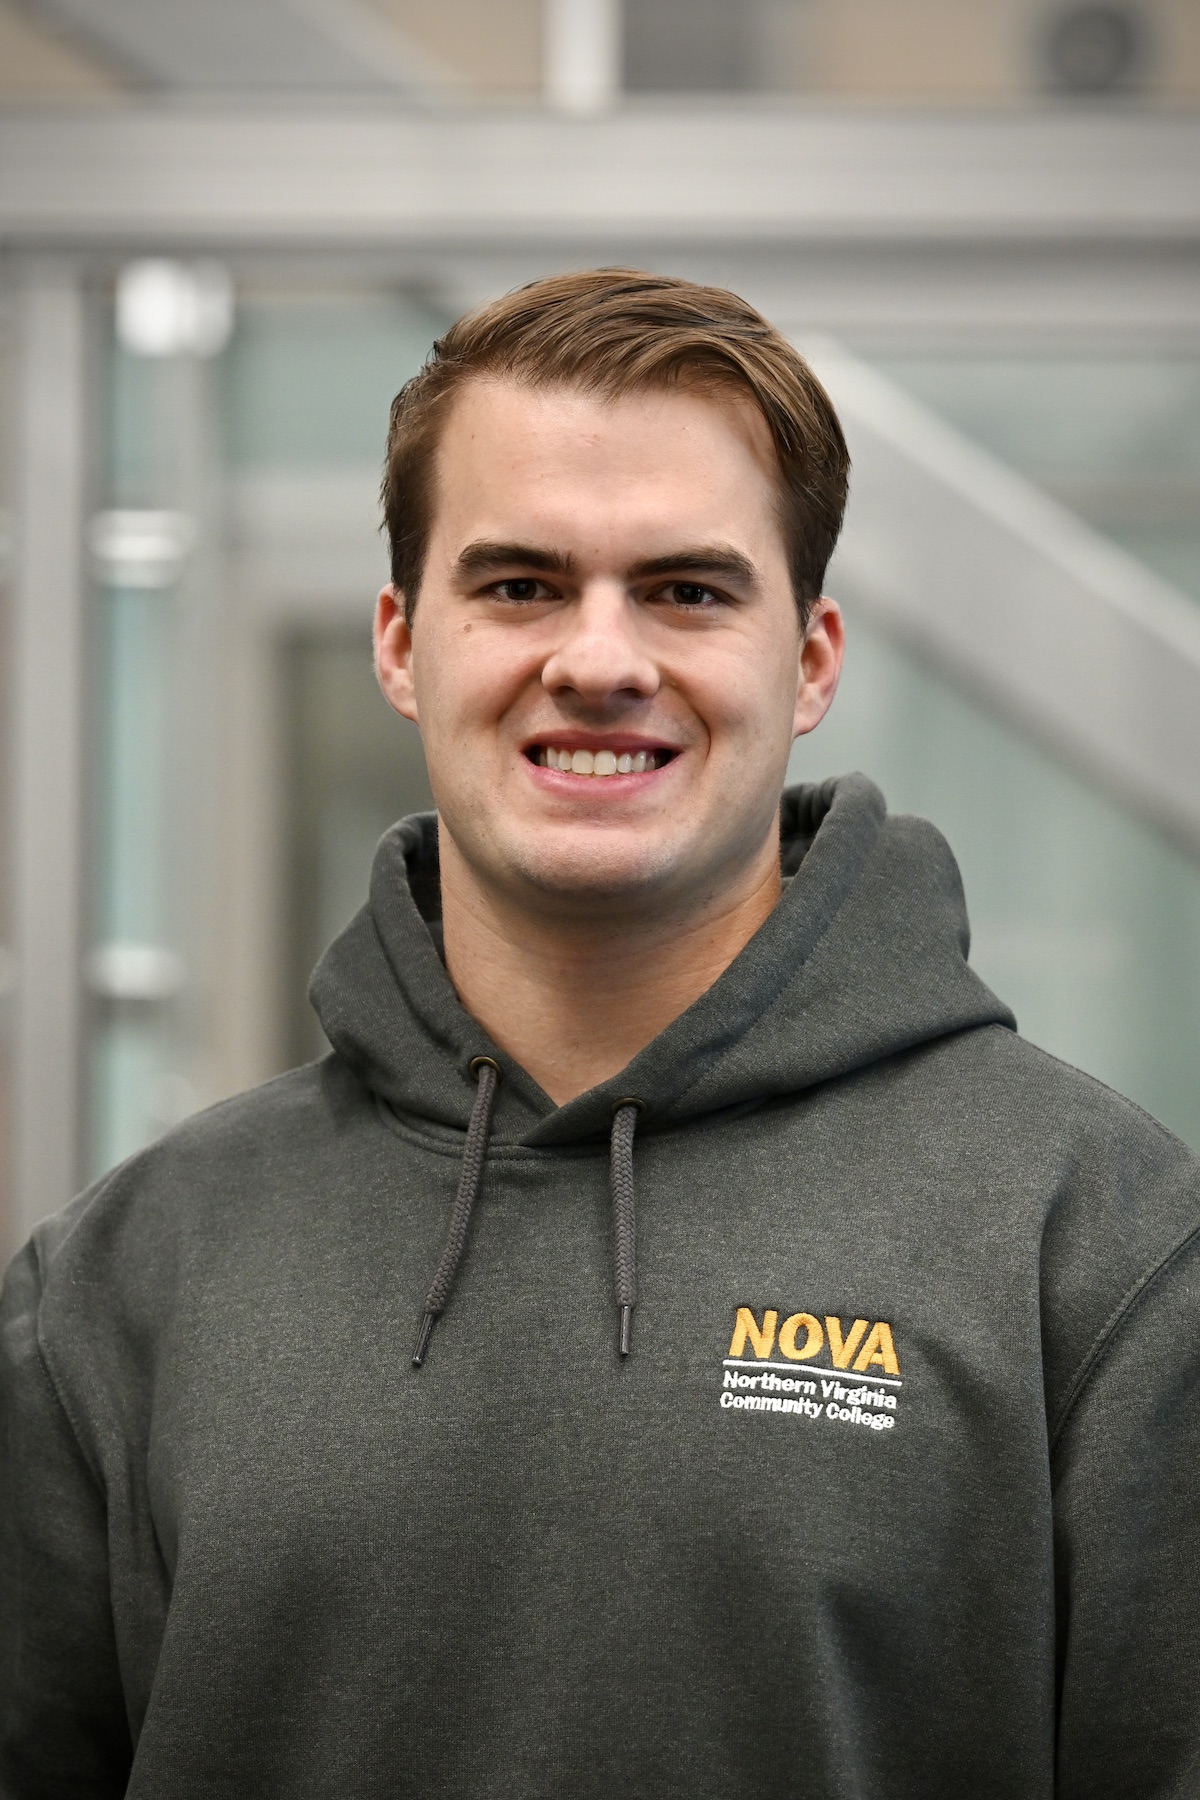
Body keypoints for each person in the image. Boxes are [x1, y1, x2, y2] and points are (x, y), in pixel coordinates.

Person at [2, 269, 1199, 1799]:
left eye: (688, 591)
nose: (600, 660)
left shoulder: (1101, 1248)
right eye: (520, 586)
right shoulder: (122, 1285)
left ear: (812, 659)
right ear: (400, 644)